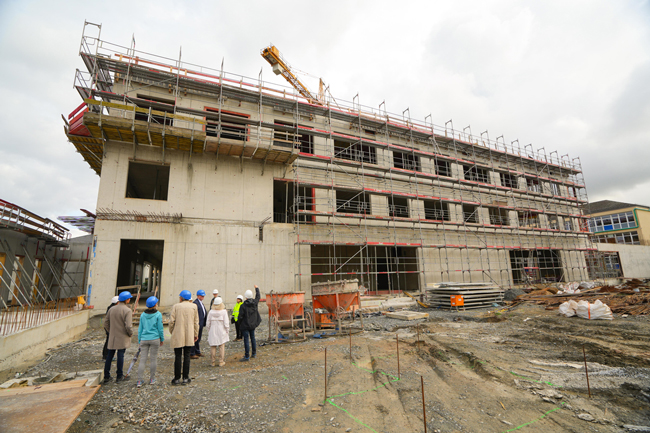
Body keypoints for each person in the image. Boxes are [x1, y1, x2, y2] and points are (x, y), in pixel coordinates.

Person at [169, 290, 199, 385]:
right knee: (187, 355)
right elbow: (196, 322)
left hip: (178, 334)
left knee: (178, 356)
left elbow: (171, 322)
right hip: (189, 334)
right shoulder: (194, 306)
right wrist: (195, 334)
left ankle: (177, 378)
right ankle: (186, 378)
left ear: (181, 298)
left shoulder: (176, 306)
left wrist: (172, 331)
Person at [103, 291, 133, 384]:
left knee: (109, 356)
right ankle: (119, 376)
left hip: (113, 336)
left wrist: (110, 332)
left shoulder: (112, 309)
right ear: (127, 300)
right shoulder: (127, 310)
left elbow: (106, 323)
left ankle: (106, 376)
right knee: (120, 355)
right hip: (122, 336)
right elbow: (128, 326)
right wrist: (130, 333)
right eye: (129, 298)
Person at [136, 296, 164, 387]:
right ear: (155, 304)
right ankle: (152, 379)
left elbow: (140, 328)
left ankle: (139, 381)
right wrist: (162, 338)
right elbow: (160, 328)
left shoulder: (143, 315)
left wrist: (139, 339)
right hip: (155, 338)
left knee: (142, 360)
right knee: (153, 359)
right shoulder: (158, 314)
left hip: (144, 339)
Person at [238, 285, 261, 362]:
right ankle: (254, 354)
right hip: (252, 324)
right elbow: (258, 297)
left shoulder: (243, 306)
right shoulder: (254, 303)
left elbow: (240, 316)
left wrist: (239, 324)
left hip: (245, 325)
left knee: (246, 340)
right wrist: (256, 288)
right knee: (253, 338)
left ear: (245, 297)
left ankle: (247, 356)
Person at [205, 297, 230, 367]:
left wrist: (209, 330)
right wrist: (227, 330)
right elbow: (226, 323)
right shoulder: (224, 312)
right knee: (221, 346)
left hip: (212, 330)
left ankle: (213, 362)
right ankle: (221, 361)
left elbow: (208, 323)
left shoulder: (210, 312)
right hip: (221, 330)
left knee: (213, 346)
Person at [191, 290, 207, 359]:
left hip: (201, 323)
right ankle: (192, 353)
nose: (203, 297)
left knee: (198, 338)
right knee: (195, 338)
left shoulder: (201, 303)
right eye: (201, 295)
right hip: (197, 324)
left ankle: (197, 351)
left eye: (203, 296)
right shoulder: (195, 303)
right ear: (198, 296)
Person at [102, 295, 119, 360]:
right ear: (117, 302)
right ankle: (106, 356)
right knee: (109, 342)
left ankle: (106, 355)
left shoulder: (110, 307)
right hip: (110, 327)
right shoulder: (113, 309)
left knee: (109, 341)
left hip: (109, 327)